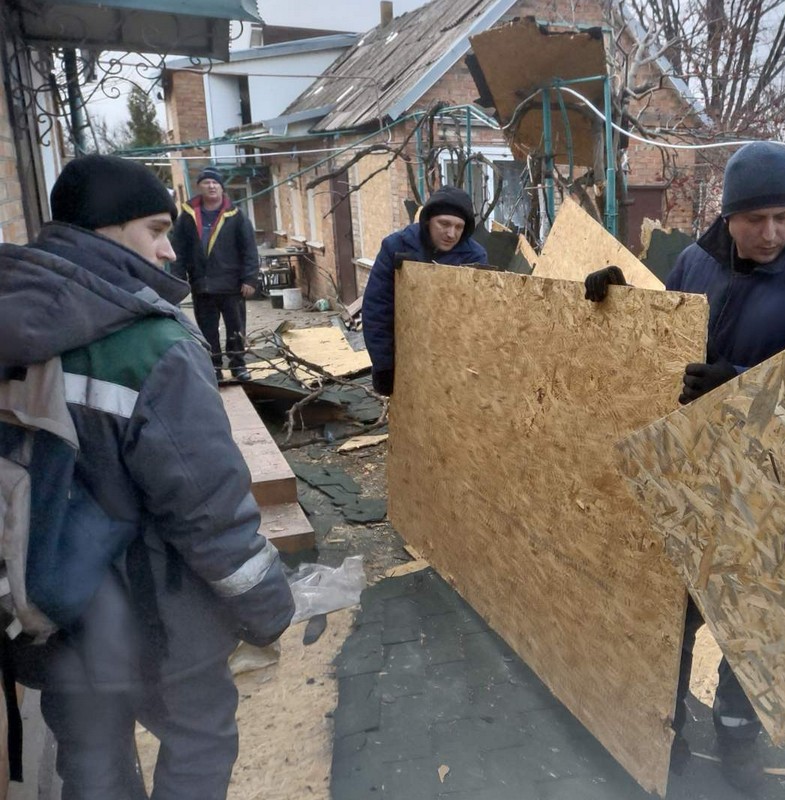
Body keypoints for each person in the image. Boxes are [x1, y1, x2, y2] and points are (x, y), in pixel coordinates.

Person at [0, 154, 295, 800]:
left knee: (91, 765)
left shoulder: (15, 332)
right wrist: (269, 605)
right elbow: (210, 510)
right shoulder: (150, 349)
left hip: (48, 613)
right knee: (199, 742)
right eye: (157, 230)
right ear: (105, 230)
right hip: (160, 620)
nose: (167, 251)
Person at [586, 141, 785, 793]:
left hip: (771, 486)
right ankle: (666, 722)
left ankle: (740, 739)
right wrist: (619, 301)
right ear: (728, 215)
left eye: (783, 218)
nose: (770, 234)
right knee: (672, 609)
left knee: (756, 619)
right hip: (691, 475)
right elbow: (663, 339)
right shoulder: (695, 261)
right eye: (755, 219)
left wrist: (734, 386)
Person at [362, 185, 488, 396]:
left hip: (453, 361)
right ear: (428, 220)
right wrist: (384, 365)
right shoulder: (397, 247)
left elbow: (476, 317)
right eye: (444, 224)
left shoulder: (474, 256)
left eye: (459, 227)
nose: (451, 234)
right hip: (407, 354)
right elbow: (377, 308)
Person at [170, 166, 259, 382]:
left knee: (236, 329)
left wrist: (249, 278)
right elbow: (178, 250)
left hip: (232, 285)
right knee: (207, 330)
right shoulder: (188, 216)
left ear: (221, 188)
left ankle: (238, 365)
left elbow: (249, 249)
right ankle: (215, 367)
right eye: (206, 182)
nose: (211, 186)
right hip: (202, 285)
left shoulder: (236, 216)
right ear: (199, 187)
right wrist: (177, 280)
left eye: (215, 183)